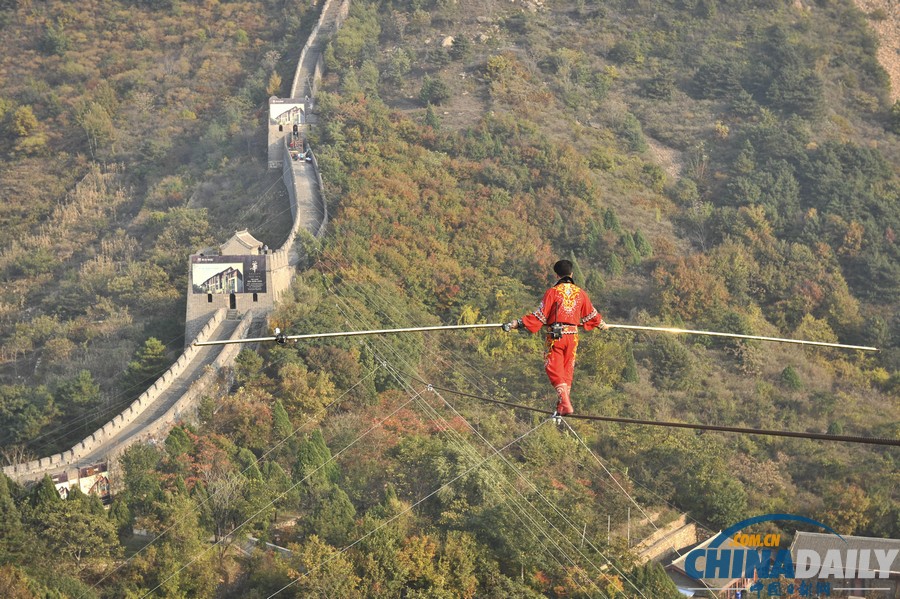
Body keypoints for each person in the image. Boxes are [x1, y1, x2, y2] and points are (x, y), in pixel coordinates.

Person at [503, 260, 608, 416]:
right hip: (572, 337)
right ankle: (561, 406)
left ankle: (565, 403)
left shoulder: (552, 292)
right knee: (567, 370)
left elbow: (539, 316)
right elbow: (592, 315)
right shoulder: (580, 293)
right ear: (572, 274)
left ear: (556, 275)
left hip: (556, 337)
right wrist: (602, 324)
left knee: (552, 367)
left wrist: (516, 323)